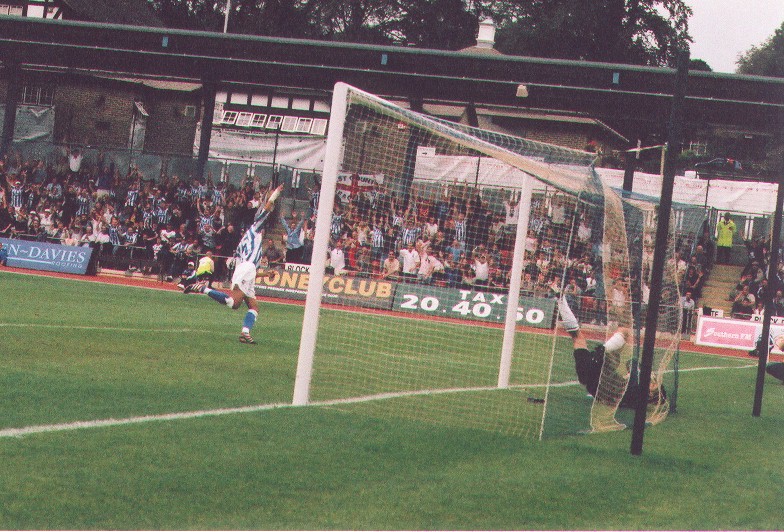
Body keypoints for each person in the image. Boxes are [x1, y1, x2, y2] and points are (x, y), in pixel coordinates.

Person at [185, 185, 283, 344]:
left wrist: (266, 274)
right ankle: (203, 287)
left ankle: (245, 332)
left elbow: (250, 269)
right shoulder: (255, 229)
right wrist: (275, 194)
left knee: (254, 307)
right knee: (233, 303)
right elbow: (267, 209)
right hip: (246, 269)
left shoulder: (246, 242)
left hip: (247, 270)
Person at [558, 297, 666, 410]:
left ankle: (560, 300)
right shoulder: (636, 395)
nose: (651, 382)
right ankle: (560, 300)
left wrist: (641, 372)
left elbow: (632, 364)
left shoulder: (635, 392)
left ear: (650, 395)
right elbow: (631, 364)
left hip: (595, 374)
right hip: (594, 379)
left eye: (653, 386)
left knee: (623, 332)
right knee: (578, 338)